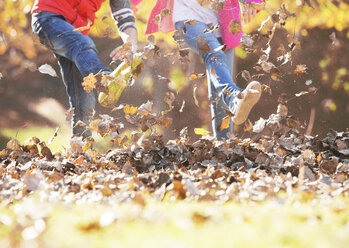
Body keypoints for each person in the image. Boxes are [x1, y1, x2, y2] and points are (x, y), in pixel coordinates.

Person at [142, 0, 263, 140]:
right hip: (187, 15)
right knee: (214, 53)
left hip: (223, 18)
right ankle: (233, 97)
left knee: (221, 81)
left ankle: (224, 145)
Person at [31, 0, 138, 138]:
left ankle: (80, 148)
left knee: (82, 98)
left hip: (75, 33)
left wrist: (131, 46)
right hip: (49, 18)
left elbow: (125, 18)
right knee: (82, 44)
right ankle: (104, 79)